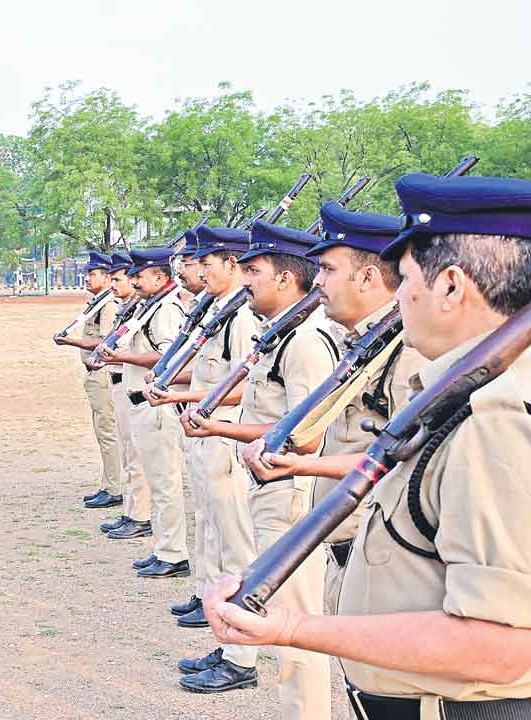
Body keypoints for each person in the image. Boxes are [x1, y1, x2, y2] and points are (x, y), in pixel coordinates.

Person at [206, 173, 531, 719]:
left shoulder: (492, 420)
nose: (396, 295)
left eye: (402, 278)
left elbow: (503, 645)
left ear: (450, 286)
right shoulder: (462, 395)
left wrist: (292, 626)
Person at [177, 222, 339, 713]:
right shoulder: (281, 333)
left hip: (289, 492)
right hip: (268, 482)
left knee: (296, 623)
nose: (243, 278)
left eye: (253, 270)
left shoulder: (306, 341)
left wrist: (221, 430)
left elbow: (304, 435)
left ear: (287, 279)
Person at [241, 203, 426, 619]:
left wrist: (296, 467)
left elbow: (404, 461)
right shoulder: (360, 344)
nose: (317, 281)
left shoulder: (408, 352)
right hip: (347, 551)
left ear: (367, 276)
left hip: (382, 559)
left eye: (327, 269)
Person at [145, 227, 261, 629]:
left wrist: (180, 398)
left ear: (232, 263)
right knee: (208, 524)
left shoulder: (242, 317)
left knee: (232, 533)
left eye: (205, 263)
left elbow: (242, 388)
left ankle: (237, 618)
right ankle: (205, 594)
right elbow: (209, 374)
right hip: (203, 428)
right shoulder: (218, 309)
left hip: (223, 430)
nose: (199, 271)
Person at [92, 248, 189, 580]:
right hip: (139, 401)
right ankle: (163, 548)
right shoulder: (150, 306)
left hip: (154, 404)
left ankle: (173, 552)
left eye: (139, 276)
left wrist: (123, 357)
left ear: (160, 277)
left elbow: (166, 357)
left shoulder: (166, 309)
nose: (133, 282)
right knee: (152, 477)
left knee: (165, 483)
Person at [53, 251, 123, 509]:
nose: (87, 278)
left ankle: (115, 487)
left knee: (108, 431)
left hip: (103, 372)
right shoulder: (97, 301)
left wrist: (71, 341)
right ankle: (109, 483)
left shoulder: (109, 304)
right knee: (102, 430)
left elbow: (105, 341)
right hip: (94, 373)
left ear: (107, 277)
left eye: (93, 274)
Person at [97, 253, 152, 538]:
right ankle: (131, 511)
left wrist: (121, 355)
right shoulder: (131, 307)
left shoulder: (148, 308)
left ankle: (141, 515)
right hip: (121, 382)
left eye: (122, 279)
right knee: (129, 454)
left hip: (136, 387)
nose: (117, 284)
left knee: (137, 457)